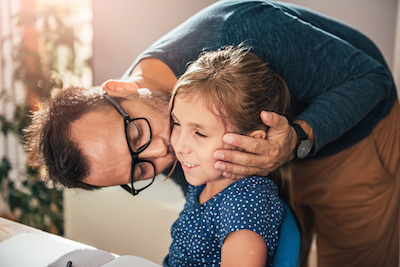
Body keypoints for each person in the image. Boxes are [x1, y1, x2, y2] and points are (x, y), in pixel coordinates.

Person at [25, 1, 399, 266]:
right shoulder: (167, 139)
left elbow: (374, 80)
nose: (165, 151)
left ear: (119, 89)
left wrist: (299, 137)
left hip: (355, 135)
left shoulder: (241, 28)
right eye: (141, 172)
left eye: (137, 135)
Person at [164, 45, 290, 267]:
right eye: (176, 123)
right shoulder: (207, 181)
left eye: (200, 133)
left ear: (252, 143)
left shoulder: (245, 202)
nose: (179, 145)